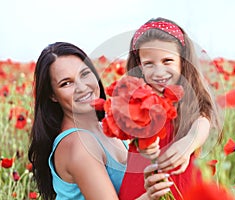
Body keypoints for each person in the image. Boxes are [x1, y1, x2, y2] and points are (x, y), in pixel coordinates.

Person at [28, 42, 173, 200]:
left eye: (84, 74)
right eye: (66, 83)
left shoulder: (107, 127)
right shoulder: (78, 144)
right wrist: (151, 196)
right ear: (52, 95)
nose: (82, 88)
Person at [118, 17, 222, 199]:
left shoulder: (190, 100)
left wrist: (189, 142)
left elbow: (203, 122)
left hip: (183, 184)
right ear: (140, 65)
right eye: (149, 63)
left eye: (167, 61)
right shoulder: (135, 99)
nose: (159, 72)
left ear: (182, 61)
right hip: (142, 187)